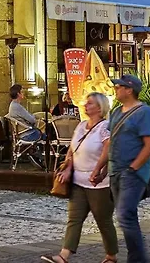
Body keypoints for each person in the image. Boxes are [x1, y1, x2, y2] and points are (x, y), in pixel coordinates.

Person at [42, 92, 117, 263]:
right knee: (74, 219)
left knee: (103, 221)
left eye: (90, 103)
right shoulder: (81, 125)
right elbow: (72, 149)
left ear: (99, 108)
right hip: (78, 182)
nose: (85, 105)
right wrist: (68, 168)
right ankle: (63, 256)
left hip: (98, 184)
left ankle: (111, 256)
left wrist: (97, 169)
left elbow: (108, 149)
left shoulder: (104, 127)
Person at [92, 74, 150, 263]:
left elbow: (149, 146)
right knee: (128, 217)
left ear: (129, 90)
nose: (116, 89)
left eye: (119, 86)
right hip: (115, 172)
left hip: (132, 173)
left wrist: (133, 168)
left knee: (124, 215)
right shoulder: (116, 112)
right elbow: (112, 143)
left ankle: (138, 260)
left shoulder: (144, 112)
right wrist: (101, 170)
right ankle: (136, 257)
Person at [8, 84, 45, 169]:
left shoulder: (13, 105)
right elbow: (32, 120)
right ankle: (43, 158)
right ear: (18, 93)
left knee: (44, 134)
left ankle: (36, 155)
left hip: (22, 133)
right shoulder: (17, 107)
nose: (24, 93)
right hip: (28, 134)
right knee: (48, 135)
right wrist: (34, 118)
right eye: (22, 91)